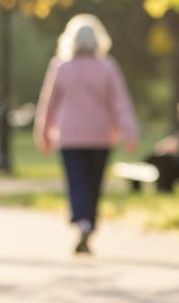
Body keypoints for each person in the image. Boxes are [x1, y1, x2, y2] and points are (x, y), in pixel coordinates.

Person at [34, 14, 138, 255]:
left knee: (77, 180)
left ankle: (81, 219)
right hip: (101, 135)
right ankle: (89, 223)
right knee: (94, 182)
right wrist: (129, 132)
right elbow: (119, 102)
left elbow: (48, 103)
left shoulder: (61, 66)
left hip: (70, 135)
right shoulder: (107, 66)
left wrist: (44, 132)